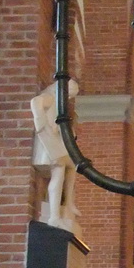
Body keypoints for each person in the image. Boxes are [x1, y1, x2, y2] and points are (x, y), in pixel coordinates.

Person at [31, 78, 80, 229]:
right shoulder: (50, 97)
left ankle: (68, 202)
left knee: (73, 164)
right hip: (49, 140)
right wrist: (42, 126)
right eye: (69, 95)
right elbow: (36, 102)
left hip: (57, 140)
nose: (69, 98)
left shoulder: (59, 102)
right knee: (58, 171)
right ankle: (54, 216)